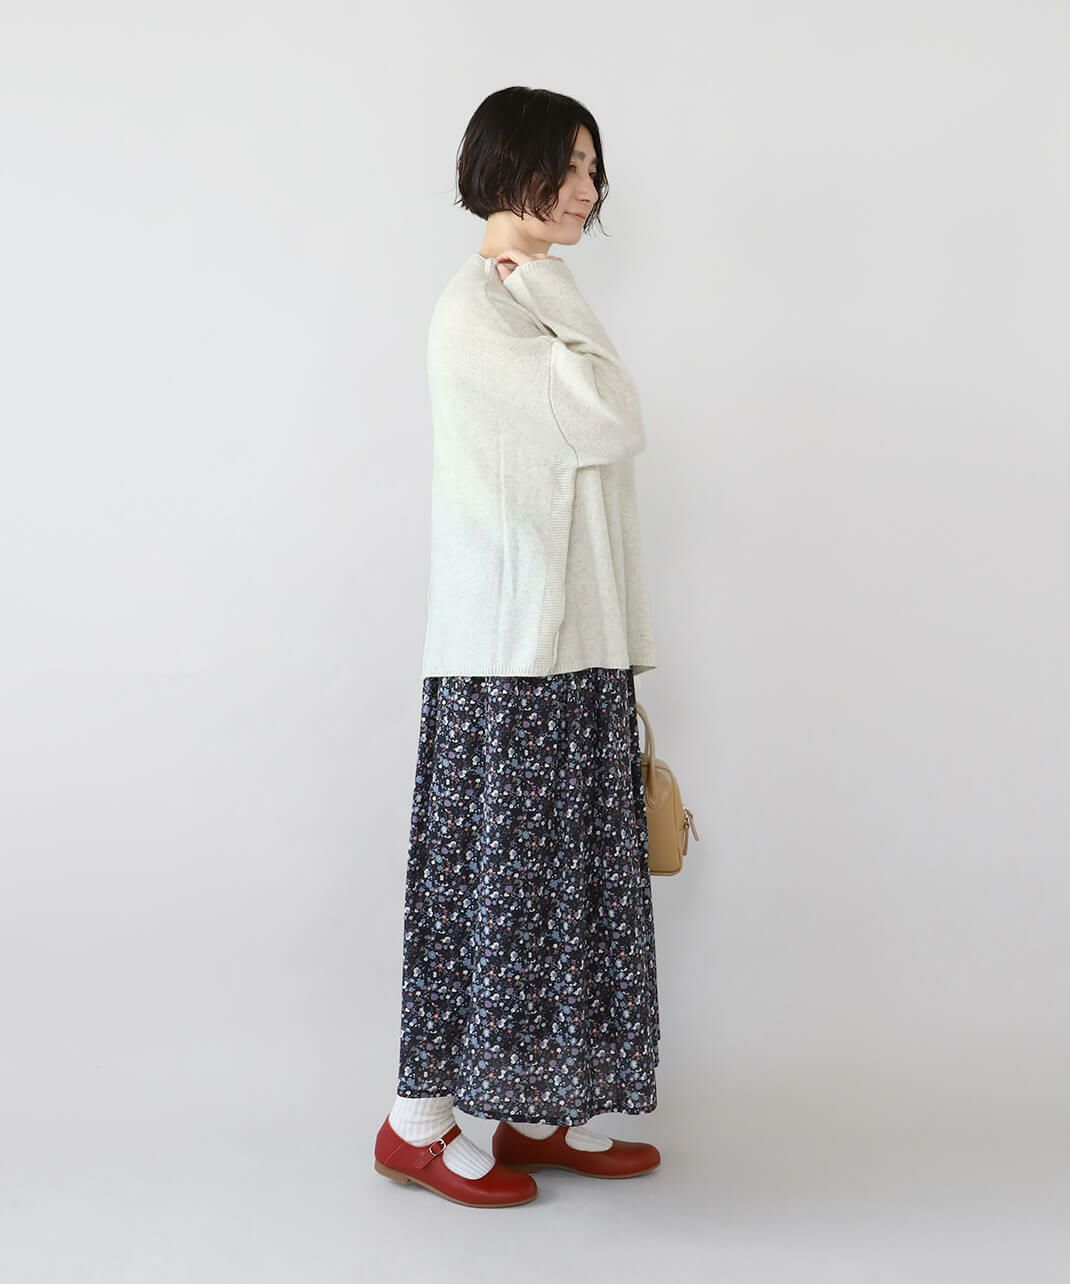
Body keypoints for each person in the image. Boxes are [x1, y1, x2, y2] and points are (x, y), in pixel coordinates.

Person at [373, 86, 662, 1208]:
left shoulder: (532, 294)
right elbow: (614, 419)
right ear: (509, 167)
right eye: (569, 165)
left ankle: (534, 1110)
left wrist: (545, 284)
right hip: (510, 655)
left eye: (593, 167)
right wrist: (543, 284)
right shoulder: (484, 307)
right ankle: (419, 1126)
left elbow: (597, 423)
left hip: (566, 645)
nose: (589, 189)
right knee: (493, 891)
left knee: (566, 891)